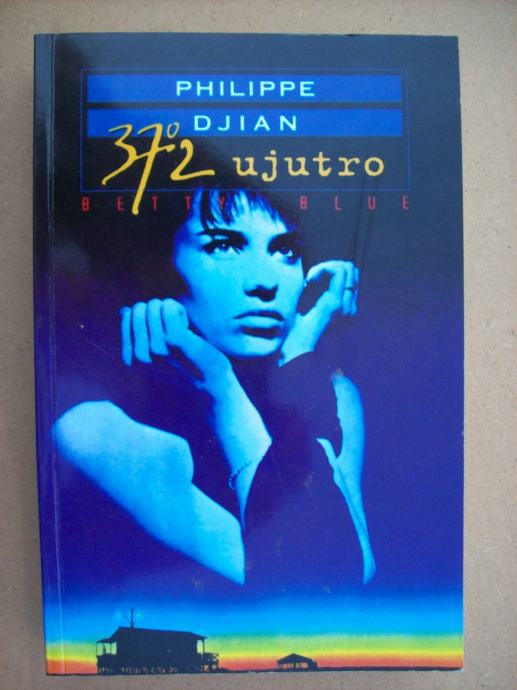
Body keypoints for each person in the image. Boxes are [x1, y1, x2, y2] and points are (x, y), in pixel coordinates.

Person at [54, 188, 375, 590]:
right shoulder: (91, 424)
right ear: (161, 268)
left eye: (284, 251)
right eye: (223, 246)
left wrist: (282, 364)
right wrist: (221, 392)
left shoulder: (330, 391)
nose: (264, 282)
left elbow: (350, 571)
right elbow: (304, 575)